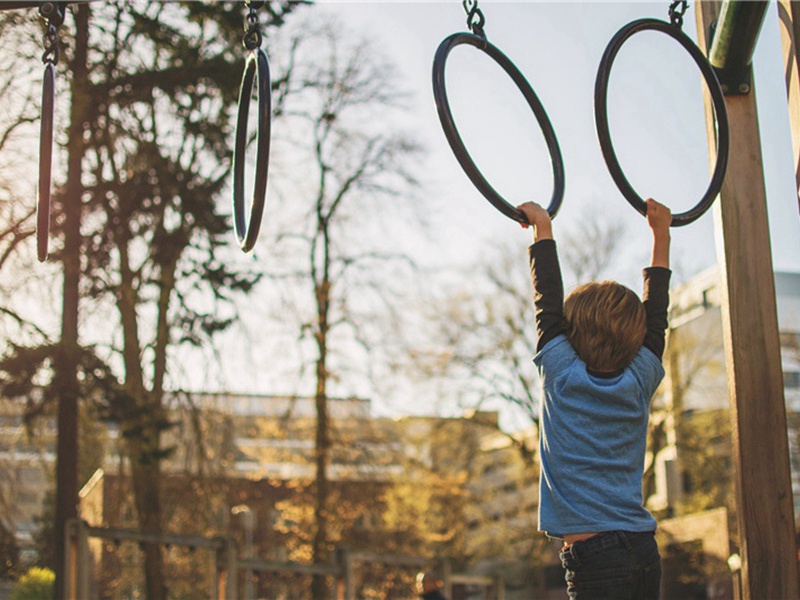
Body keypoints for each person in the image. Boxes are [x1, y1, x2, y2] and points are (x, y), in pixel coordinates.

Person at [517, 198, 672, 600]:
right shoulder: (639, 380)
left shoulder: (563, 376)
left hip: (597, 559)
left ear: (570, 334)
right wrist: (660, 234)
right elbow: (656, 315)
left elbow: (547, 301)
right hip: (641, 547)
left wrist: (544, 227)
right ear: (635, 340)